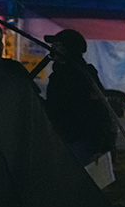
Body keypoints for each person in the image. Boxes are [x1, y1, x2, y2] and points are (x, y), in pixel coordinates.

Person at [44, 29, 117, 164]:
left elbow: (97, 110)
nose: (53, 48)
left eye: (58, 45)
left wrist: (101, 145)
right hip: (61, 136)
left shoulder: (82, 74)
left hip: (80, 138)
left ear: (69, 49)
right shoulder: (58, 74)